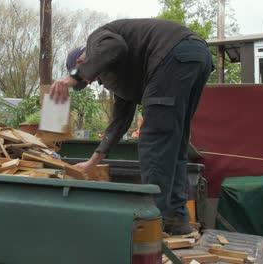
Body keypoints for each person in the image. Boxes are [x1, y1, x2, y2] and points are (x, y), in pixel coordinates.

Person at [49, 18, 213, 235]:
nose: (92, 80)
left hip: (173, 55)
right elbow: (120, 121)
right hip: (196, 56)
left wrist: (73, 77)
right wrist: (93, 161)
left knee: (154, 141)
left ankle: (154, 224)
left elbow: (114, 47)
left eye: (87, 78)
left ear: (82, 60)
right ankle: (176, 219)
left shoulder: (97, 40)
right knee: (174, 141)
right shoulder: (122, 69)